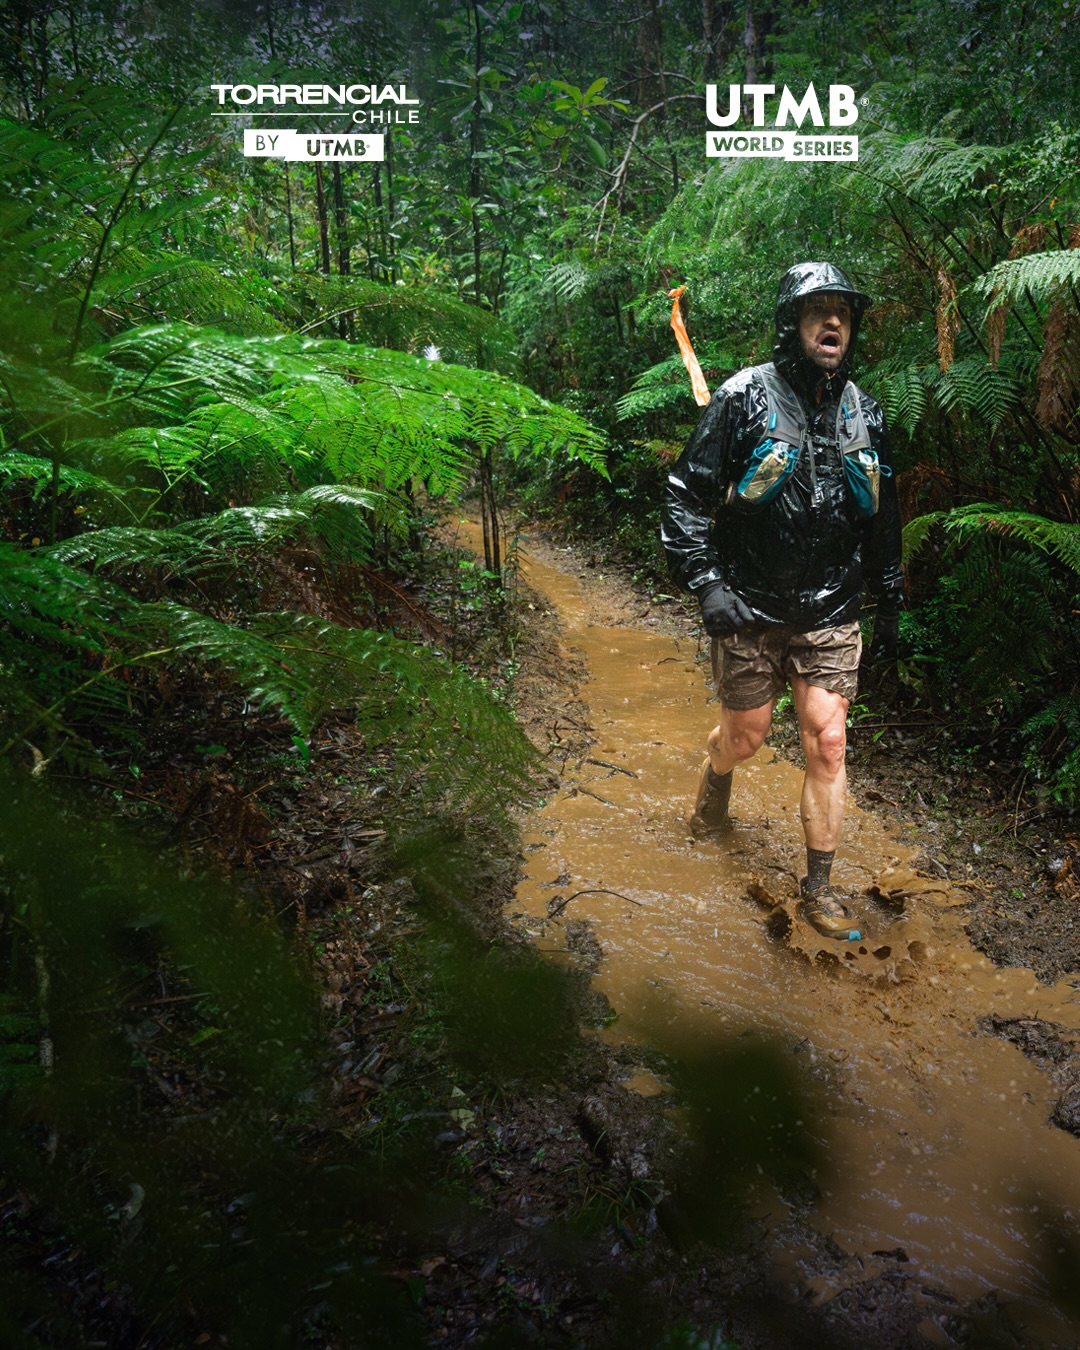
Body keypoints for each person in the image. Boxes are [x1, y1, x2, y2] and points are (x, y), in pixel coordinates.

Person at [661, 262, 904, 941]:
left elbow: (883, 517)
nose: (832, 322)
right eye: (817, 310)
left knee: (828, 741)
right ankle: (715, 782)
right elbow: (685, 495)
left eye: (843, 313)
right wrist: (707, 583)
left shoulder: (867, 412)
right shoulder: (742, 399)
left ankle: (819, 887)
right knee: (746, 737)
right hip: (747, 603)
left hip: (831, 606)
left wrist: (889, 601)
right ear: (791, 324)